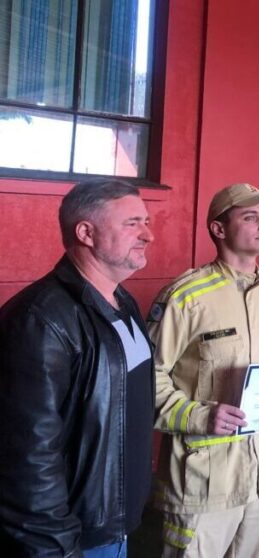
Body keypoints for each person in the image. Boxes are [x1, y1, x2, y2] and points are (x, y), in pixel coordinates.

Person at [148, 183, 259, 557]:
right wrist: (198, 415)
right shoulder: (186, 296)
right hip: (206, 479)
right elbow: (145, 379)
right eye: (251, 217)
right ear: (218, 229)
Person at [0, 180, 154, 557]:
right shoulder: (40, 319)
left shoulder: (122, 302)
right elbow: (27, 458)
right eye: (132, 223)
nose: (148, 234)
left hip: (116, 527)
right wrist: (57, 549)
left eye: (146, 221)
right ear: (86, 232)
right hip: (73, 540)